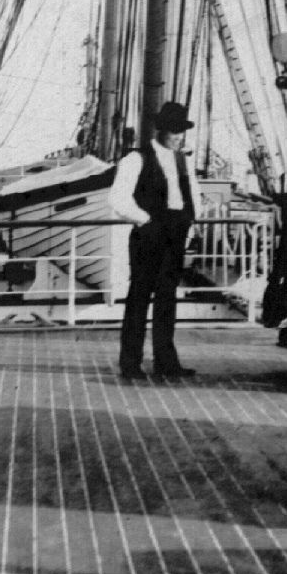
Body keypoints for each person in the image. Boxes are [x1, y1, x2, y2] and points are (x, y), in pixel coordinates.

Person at [109, 101, 203, 380]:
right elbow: (117, 198)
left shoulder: (184, 161)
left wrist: (191, 221)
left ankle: (166, 361)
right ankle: (130, 362)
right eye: (174, 131)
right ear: (160, 129)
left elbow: (192, 194)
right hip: (149, 234)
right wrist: (144, 219)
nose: (178, 136)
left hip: (175, 234)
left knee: (167, 297)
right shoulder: (136, 159)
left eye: (181, 131)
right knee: (139, 296)